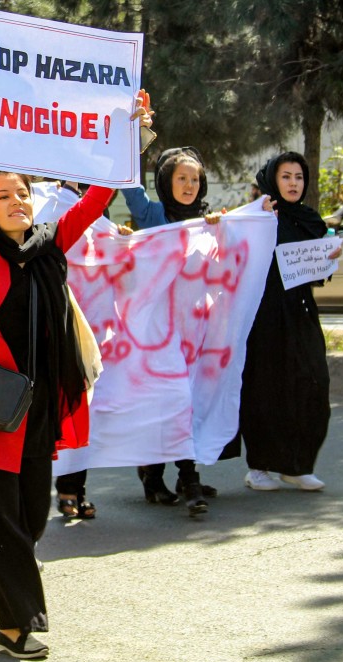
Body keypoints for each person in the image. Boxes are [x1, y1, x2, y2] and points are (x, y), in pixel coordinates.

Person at [0, 74, 110, 659]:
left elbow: (98, 197)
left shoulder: (50, 244)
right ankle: (16, 628)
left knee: (31, 520)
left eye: (23, 192)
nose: (17, 200)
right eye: (3, 194)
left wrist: (130, 131)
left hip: (35, 412)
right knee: (10, 528)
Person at [121, 136, 223, 515]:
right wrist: (134, 139)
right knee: (172, 399)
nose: (188, 186)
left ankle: (159, 475)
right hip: (156, 331)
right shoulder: (152, 216)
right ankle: (186, 480)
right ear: (166, 182)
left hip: (194, 330)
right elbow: (129, 184)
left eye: (194, 180)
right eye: (181, 179)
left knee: (188, 399)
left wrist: (219, 229)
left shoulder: (207, 220)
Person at [227, 152, 337, 491]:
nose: (293, 183)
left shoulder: (310, 220)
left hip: (301, 314)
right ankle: (259, 466)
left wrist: (329, 260)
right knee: (264, 389)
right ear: (274, 179)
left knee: (313, 383)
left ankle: (297, 465)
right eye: (286, 176)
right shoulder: (259, 216)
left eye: (299, 177)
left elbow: (313, 275)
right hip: (263, 317)